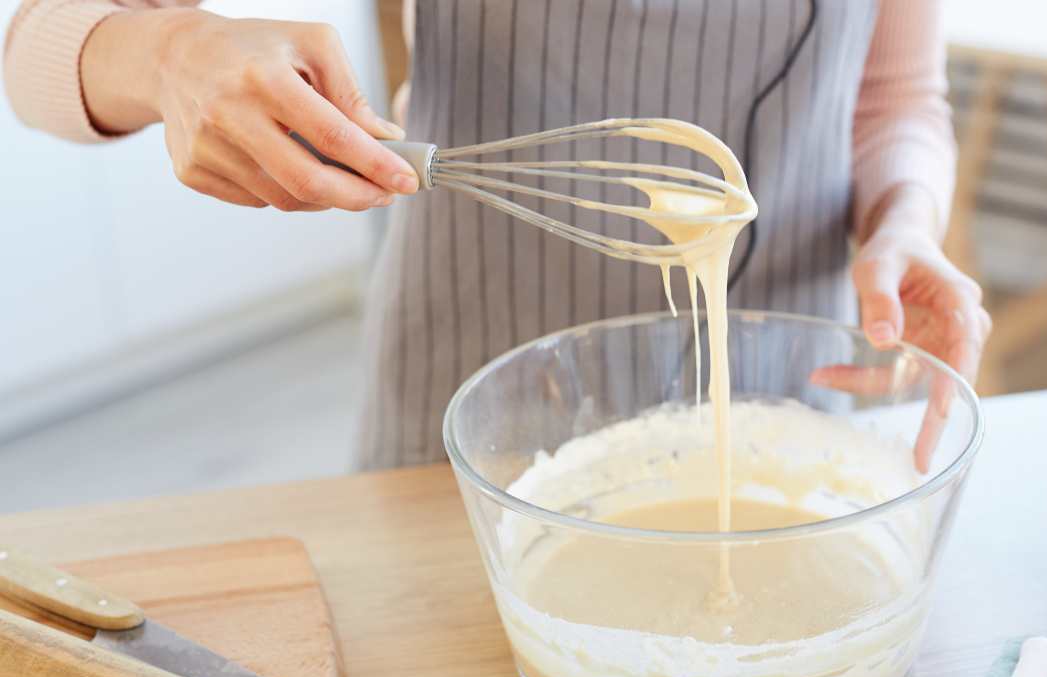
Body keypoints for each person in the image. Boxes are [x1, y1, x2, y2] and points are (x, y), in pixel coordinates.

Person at [5, 0, 990, 470]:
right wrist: (171, 50)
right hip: (479, 420)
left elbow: (892, 94)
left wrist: (903, 219)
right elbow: (34, 50)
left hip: (783, 400)